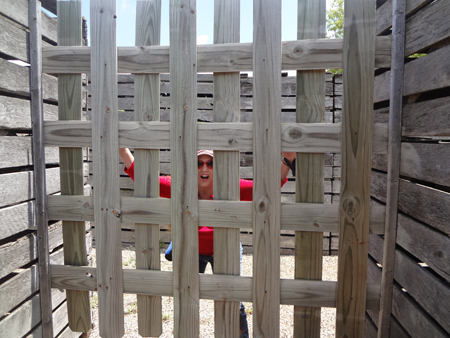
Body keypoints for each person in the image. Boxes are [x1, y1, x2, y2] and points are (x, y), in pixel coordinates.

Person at [119, 148, 296, 338]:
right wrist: (122, 150)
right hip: (193, 250)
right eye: (199, 163)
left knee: (232, 299)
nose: (205, 168)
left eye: (210, 163)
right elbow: (144, 178)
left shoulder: (230, 187)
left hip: (225, 250)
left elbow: (268, 189)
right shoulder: (179, 187)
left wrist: (288, 159)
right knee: (185, 296)